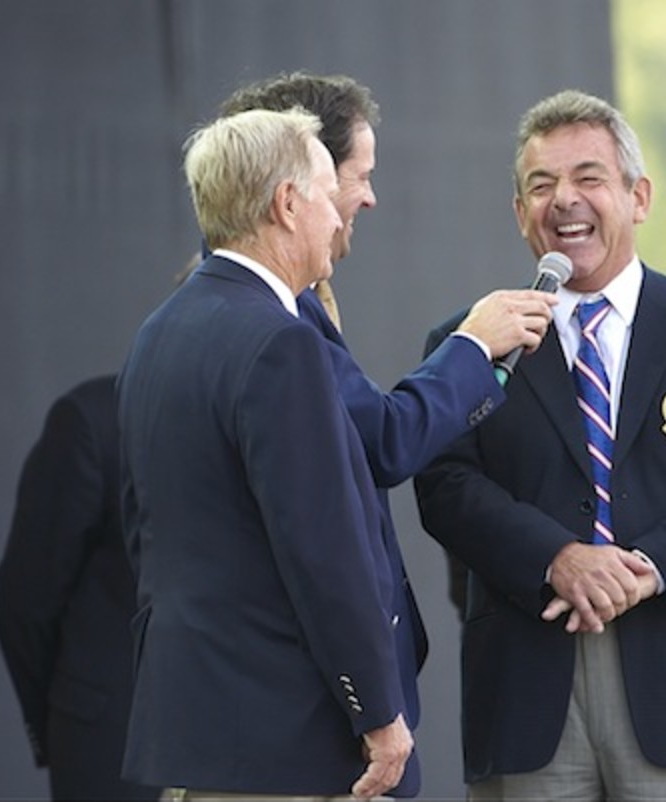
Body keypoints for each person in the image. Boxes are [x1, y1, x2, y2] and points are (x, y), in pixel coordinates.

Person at [414, 89, 666, 800]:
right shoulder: (471, 340)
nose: (564, 200)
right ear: (519, 212)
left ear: (638, 196)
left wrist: (647, 568)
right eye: (541, 185)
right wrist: (556, 558)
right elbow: (446, 485)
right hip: (529, 683)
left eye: (588, 178)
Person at [217, 70, 555, 729]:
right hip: (301, 706)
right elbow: (377, 443)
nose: (369, 199)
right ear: (298, 186)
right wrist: (472, 346)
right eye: (359, 174)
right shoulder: (276, 321)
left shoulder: (239, 305)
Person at [118, 108, 418, 799]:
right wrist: (377, 710)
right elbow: (322, 546)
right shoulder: (283, 342)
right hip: (288, 739)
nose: (339, 217)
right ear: (287, 204)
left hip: (196, 733)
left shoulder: (158, 333)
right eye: (325, 192)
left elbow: (146, 535)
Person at [0, 374, 156, 801]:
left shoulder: (266, 416)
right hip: (110, 748)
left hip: (245, 750)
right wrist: (69, 710)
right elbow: (25, 600)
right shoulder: (94, 421)